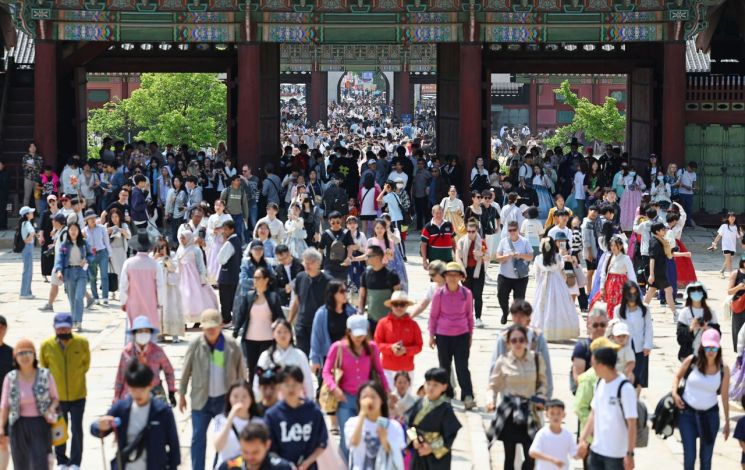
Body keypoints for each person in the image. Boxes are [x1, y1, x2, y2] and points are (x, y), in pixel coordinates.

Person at [179, 309, 247, 470]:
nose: (211, 330)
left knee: (225, 438)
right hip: (201, 398)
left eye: (214, 327)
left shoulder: (231, 345)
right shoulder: (195, 344)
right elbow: (186, 369)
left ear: (220, 326)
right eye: (207, 327)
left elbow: (241, 372)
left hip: (224, 400)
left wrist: (243, 395)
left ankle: (219, 467)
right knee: (198, 438)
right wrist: (181, 393)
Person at [91, 360, 180, 469]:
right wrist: (99, 425)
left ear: (150, 385)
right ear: (128, 387)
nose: (138, 393)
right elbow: (96, 430)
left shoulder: (162, 412)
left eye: (142, 389)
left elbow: (174, 446)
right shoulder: (121, 409)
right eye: (133, 389)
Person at [322, 315, 387, 459]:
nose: (360, 338)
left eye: (363, 334)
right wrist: (334, 388)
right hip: (345, 399)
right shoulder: (337, 347)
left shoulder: (372, 348)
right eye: (356, 334)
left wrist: (387, 390)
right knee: (347, 441)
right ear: (348, 331)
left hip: (366, 399)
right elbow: (326, 371)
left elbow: (379, 371)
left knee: (366, 438)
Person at [489, 324, 548, 470]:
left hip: (529, 410)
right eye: (514, 341)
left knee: (531, 455)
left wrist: (541, 396)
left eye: (521, 340)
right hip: (509, 412)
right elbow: (493, 385)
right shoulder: (502, 361)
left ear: (526, 342)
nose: (518, 344)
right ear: (508, 344)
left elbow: (542, 383)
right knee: (509, 456)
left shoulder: (536, 358)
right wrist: (491, 400)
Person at [671, 329, 730, 470]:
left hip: (710, 416)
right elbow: (677, 377)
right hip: (688, 414)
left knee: (706, 460)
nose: (710, 351)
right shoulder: (692, 361)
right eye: (707, 347)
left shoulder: (723, 368)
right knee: (690, 457)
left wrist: (727, 421)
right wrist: (674, 393)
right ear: (702, 347)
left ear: (718, 348)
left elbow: (725, 395)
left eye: (713, 348)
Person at [39, 312, 90, 470]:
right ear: (54, 328)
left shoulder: (82, 343)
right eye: (60, 329)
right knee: (59, 429)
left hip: (78, 394)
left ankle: (75, 462)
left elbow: (85, 364)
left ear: (71, 328)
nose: (63, 332)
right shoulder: (46, 345)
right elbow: (44, 367)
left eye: (66, 329)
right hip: (57, 397)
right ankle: (61, 461)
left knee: (77, 429)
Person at [0, 339, 59, 469]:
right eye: (21, 353)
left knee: (40, 463)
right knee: (21, 464)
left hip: (41, 424)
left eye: (28, 352)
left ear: (34, 354)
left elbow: (55, 398)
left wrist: (52, 409)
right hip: (17, 425)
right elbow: (4, 405)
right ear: (15, 357)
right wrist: (1, 427)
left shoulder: (45, 375)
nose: (25, 356)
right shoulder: (10, 378)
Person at [577, 346, 638, 470]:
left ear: (602, 365)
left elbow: (632, 423)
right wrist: (582, 440)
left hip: (617, 455)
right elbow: (593, 414)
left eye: (593, 364)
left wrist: (630, 453)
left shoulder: (625, 388)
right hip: (596, 451)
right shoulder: (599, 383)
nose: (592, 367)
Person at [428, 262, 475, 409]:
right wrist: (431, 335)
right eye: (449, 275)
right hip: (443, 335)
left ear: (461, 277)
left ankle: (467, 395)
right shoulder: (439, 294)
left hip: (461, 334)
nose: (452, 278)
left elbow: (469, 316)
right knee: (444, 367)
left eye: (456, 275)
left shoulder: (466, 293)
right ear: (445, 277)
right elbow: (433, 316)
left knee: (462, 367)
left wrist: (470, 335)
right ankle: (446, 394)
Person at [264, 365, 328, 470]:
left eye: (295, 384)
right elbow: (268, 448)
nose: (291, 388)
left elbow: (322, 443)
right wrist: (286, 465)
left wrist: (307, 463)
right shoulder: (272, 415)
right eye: (287, 384)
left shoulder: (313, 412)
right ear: (279, 387)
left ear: (302, 385)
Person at [233, 266, 285, 383]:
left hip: (268, 339)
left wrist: (283, 335)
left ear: (266, 280)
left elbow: (280, 318)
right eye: (254, 277)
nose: (255, 280)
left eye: (258, 277)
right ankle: (252, 395)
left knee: (265, 368)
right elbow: (241, 314)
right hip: (250, 339)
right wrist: (236, 330)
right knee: (252, 369)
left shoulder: (273, 297)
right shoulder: (249, 296)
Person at [113, 316, 176, 406]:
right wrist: (116, 397)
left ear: (150, 333)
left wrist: (171, 391)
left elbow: (169, 371)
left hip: (154, 393)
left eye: (146, 331)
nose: (143, 334)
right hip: (130, 394)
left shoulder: (157, 352)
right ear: (134, 334)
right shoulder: (127, 352)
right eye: (140, 331)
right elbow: (120, 377)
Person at [407, 367, 462, 470]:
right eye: (428, 383)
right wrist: (414, 440)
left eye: (435, 385)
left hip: (437, 458)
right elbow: (409, 425)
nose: (430, 388)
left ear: (444, 387)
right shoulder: (419, 403)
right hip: (418, 450)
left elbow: (450, 435)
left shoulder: (446, 409)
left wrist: (431, 448)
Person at [345, 381, 406, 470]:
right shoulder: (352, 423)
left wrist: (384, 440)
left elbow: (397, 453)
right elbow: (353, 443)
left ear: (381, 400)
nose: (369, 401)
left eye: (373, 397)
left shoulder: (393, 425)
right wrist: (362, 415)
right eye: (364, 397)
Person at [530, 237, 580, 341]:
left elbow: (537, 274)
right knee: (559, 305)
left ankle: (542, 330)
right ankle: (558, 331)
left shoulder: (539, 258)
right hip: (557, 282)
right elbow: (561, 267)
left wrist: (538, 286)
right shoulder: (557, 257)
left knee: (542, 306)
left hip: (543, 283)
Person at [374, 291, 423, 389]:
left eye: (402, 304)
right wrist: (390, 348)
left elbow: (419, 346)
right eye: (396, 304)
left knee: (405, 402)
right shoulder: (382, 323)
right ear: (391, 306)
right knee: (387, 401)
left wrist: (406, 350)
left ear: (407, 306)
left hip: (406, 370)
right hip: (387, 370)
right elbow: (377, 344)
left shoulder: (413, 325)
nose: (399, 307)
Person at [255, 319, 314, 399]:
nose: (282, 335)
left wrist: (309, 401)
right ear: (273, 334)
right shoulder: (266, 356)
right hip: (272, 400)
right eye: (279, 332)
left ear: (291, 334)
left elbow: (307, 381)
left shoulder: (300, 355)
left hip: (295, 399)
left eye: (285, 332)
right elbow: (258, 381)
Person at [289, 248, 332, 355]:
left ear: (318, 264)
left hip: (320, 326)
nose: (307, 266)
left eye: (310, 263)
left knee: (319, 358)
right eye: (305, 262)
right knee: (302, 355)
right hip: (302, 325)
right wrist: (289, 321)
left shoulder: (328, 281)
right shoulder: (300, 277)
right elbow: (297, 300)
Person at [211, 381, 263, 468]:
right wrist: (230, 418)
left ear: (251, 399)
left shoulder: (258, 422)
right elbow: (218, 447)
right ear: (229, 398)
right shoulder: (220, 420)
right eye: (235, 396)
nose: (240, 400)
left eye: (244, 397)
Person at [53, 222, 94, 331]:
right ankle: (74, 321)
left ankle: (79, 321)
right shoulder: (64, 245)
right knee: (72, 299)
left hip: (82, 272)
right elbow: (59, 259)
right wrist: (58, 271)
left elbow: (91, 255)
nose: (73, 231)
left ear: (79, 231)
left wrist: (87, 260)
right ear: (68, 231)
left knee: (78, 297)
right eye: (71, 229)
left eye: (75, 229)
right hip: (69, 273)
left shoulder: (84, 243)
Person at [120, 233, 165, 331]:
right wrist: (160, 301)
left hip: (133, 302)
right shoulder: (155, 264)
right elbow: (160, 286)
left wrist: (123, 301)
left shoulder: (128, 263)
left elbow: (124, 285)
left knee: (134, 329)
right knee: (149, 330)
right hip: (151, 302)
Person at [177, 230, 220, 325]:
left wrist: (202, 276)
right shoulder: (180, 249)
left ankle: (199, 318)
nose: (182, 239)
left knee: (198, 296)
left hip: (194, 277)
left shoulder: (196, 250)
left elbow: (200, 264)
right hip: (183, 278)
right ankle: (184, 320)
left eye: (183, 237)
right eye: (181, 238)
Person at [495, 220, 534, 324]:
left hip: (521, 277)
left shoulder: (524, 241)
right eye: (510, 230)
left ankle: (517, 319)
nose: (512, 232)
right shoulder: (503, 241)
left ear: (518, 230)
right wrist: (506, 257)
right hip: (504, 275)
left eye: (514, 230)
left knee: (519, 300)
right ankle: (505, 312)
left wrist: (520, 255)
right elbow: (497, 258)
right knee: (501, 296)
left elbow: (531, 256)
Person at [591, 236, 636, 319]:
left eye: (615, 245)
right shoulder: (608, 257)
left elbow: (631, 274)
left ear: (621, 246)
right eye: (611, 245)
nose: (613, 247)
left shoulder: (626, 258)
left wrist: (633, 287)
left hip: (621, 286)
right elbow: (603, 273)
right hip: (609, 285)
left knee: (619, 305)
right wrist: (601, 287)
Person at [358, 245, 401, 331]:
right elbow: (362, 296)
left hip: (389, 322)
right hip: (371, 321)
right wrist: (360, 313)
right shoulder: (366, 274)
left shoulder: (392, 275)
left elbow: (398, 298)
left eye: (368, 256)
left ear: (378, 256)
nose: (366, 258)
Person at [217, 422, 294, 470]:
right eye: (245, 452)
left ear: (267, 445)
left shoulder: (281, 467)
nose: (250, 457)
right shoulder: (229, 466)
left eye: (255, 452)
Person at [643, 223, 681, 318]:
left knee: (651, 290)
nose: (664, 231)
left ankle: (642, 312)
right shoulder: (655, 242)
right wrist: (651, 274)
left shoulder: (660, 241)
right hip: (657, 271)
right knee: (669, 289)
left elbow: (666, 254)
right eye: (662, 229)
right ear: (657, 231)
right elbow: (652, 259)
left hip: (660, 270)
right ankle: (675, 313)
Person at [676, 282, 721, 361]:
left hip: (707, 354)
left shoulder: (710, 312)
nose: (696, 294)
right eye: (693, 291)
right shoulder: (685, 312)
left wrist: (707, 328)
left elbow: (718, 334)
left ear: (703, 294)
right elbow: (680, 337)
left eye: (699, 291)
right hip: (689, 354)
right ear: (688, 294)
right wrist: (691, 328)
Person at [151, 238, 185, 342]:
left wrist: (166, 258)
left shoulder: (173, 255)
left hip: (170, 288)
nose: (161, 250)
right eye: (160, 247)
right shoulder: (151, 257)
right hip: (157, 288)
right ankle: (160, 334)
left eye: (163, 247)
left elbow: (174, 268)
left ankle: (175, 334)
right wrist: (154, 259)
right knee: (159, 311)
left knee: (172, 309)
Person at [456, 220, 488, 328]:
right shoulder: (461, 241)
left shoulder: (481, 242)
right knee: (467, 296)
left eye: (473, 231)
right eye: (468, 231)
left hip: (478, 270)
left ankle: (478, 318)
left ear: (477, 231)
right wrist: (462, 270)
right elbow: (458, 257)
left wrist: (481, 254)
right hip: (466, 270)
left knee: (478, 295)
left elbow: (488, 257)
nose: (470, 233)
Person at [529, 399, 577, 470]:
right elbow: (532, 452)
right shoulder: (542, 434)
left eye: (558, 413)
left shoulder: (568, 435)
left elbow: (574, 454)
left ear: (564, 415)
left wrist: (582, 451)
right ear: (546, 415)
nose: (555, 416)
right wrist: (552, 460)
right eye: (552, 413)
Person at [570, 306, 609, 395]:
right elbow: (578, 378)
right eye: (595, 325)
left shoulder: (610, 346)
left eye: (602, 325)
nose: (599, 328)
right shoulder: (582, 348)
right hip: (586, 396)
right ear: (588, 325)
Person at [319, 211, 354, 281]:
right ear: (329, 221)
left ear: (341, 220)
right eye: (333, 222)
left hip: (343, 266)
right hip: (329, 266)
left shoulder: (346, 232)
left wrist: (348, 257)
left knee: (341, 289)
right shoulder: (325, 234)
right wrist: (319, 262)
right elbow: (320, 249)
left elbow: (350, 246)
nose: (335, 224)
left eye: (338, 222)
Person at [206, 200, 232, 284]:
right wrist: (213, 231)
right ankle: (213, 281)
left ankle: (222, 279)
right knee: (213, 261)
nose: (218, 207)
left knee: (223, 260)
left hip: (225, 241)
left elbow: (231, 228)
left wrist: (223, 230)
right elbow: (208, 229)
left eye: (220, 205)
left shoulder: (227, 217)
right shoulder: (212, 217)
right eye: (216, 205)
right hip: (214, 241)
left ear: (223, 207)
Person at [710, 212, 740, 278]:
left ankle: (722, 271)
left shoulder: (736, 227)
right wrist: (714, 243)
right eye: (731, 216)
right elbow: (719, 236)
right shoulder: (724, 226)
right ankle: (731, 275)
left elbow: (739, 237)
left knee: (728, 261)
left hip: (733, 247)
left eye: (734, 216)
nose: (733, 218)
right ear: (728, 218)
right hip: (726, 246)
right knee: (729, 260)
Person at [619, 167, 645, 232]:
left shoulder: (638, 177)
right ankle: (626, 227)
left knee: (636, 209)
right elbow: (620, 183)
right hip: (627, 195)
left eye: (634, 170)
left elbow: (644, 185)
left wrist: (639, 187)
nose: (632, 172)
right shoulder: (625, 177)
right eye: (631, 170)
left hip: (636, 195)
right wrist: (621, 175)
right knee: (626, 210)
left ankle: (637, 227)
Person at [18, 206, 36, 299]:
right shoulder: (27, 223)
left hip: (27, 247)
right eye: (30, 212)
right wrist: (27, 239)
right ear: (27, 215)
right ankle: (24, 293)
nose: (32, 213)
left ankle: (27, 291)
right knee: (28, 270)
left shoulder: (24, 223)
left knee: (28, 269)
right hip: (27, 247)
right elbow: (32, 232)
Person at [728, 257, 745, 351]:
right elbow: (729, 291)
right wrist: (738, 287)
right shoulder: (736, 273)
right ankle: (739, 350)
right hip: (739, 303)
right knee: (738, 328)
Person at [678, 161, 697, 227]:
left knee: (689, 209)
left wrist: (694, 188)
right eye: (692, 169)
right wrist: (686, 187)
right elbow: (678, 182)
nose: (692, 171)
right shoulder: (681, 171)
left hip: (690, 194)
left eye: (694, 170)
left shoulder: (694, 174)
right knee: (682, 209)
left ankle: (688, 223)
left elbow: (694, 184)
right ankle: (681, 224)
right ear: (688, 167)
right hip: (681, 193)